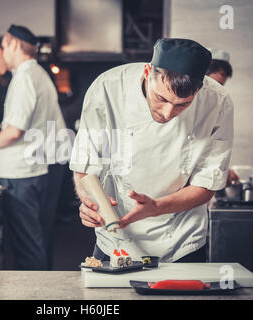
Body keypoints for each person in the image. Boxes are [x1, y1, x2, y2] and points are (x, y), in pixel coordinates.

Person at [70, 38, 234, 263]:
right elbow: (85, 165)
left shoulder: (218, 102)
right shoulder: (108, 87)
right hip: (116, 237)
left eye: (182, 105)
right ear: (148, 72)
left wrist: (156, 207)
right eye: (161, 98)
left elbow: (207, 184)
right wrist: (89, 202)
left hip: (182, 238)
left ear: (199, 90)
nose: (167, 113)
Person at [0, 25, 67, 270]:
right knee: (38, 240)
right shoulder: (38, 74)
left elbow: (15, 130)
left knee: (27, 246)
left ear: (13, 44)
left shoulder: (24, 76)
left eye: (4, 47)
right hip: (36, 169)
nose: (3, 53)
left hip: (22, 174)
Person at [206, 48, 239, 186]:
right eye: (214, 84)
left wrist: (221, 169)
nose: (218, 90)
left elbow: (212, 145)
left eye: (221, 85)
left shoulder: (219, 104)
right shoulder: (184, 102)